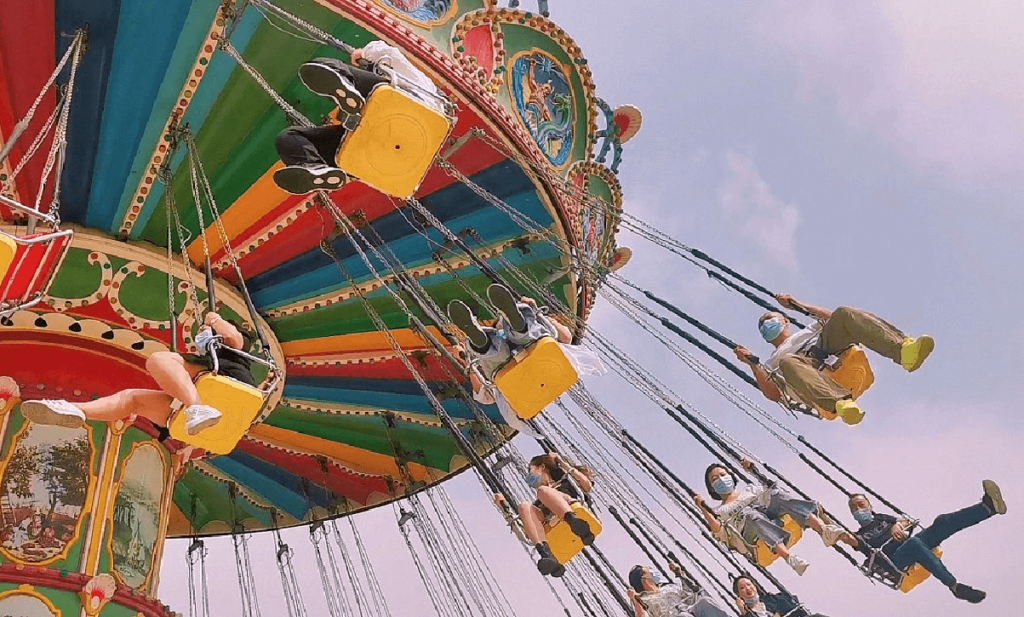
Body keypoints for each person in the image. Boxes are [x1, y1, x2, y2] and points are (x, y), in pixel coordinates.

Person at [20, 312, 254, 436]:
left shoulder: (237, 346)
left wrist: (213, 319)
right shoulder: (205, 362)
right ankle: (74, 408)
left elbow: (234, 337)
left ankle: (197, 407)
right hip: (206, 415)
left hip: (230, 384)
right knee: (133, 399)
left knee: (159, 359)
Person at [273, 40, 446, 195]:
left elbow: (389, 52)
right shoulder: (430, 98)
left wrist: (362, 53)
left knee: (323, 65)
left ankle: (350, 92)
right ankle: (318, 168)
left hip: (399, 108)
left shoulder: (425, 87)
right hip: (387, 144)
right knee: (287, 138)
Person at [733, 293, 934, 425]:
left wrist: (798, 305)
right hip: (809, 375)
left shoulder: (811, 329)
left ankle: (904, 351)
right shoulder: (772, 363)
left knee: (844, 312)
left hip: (831, 351)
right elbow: (774, 394)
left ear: (785, 320)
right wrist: (752, 364)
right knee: (788, 361)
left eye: (771, 319)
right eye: (763, 326)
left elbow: (838, 319)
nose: (767, 324)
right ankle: (841, 404)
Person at [449, 284, 604, 433]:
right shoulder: (519, 398)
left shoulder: (543, 383)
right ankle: (500, 333)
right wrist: (538, 314)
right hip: (520, 357)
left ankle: (486, 338)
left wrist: (467, 362)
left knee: (500, 350)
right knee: (509, 346)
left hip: (513, 362)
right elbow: (565, 337)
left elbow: (485, 396)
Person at [844, 481, 1006, 604]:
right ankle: (955, 586)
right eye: (854, 508)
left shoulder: (881, 518)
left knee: (942, 522)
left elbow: (904, 520)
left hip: (911, 545)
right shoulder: (859, 536)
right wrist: (820, 516)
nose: (859, 509)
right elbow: (841, 536)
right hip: (896, 562)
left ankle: (987, 508)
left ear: (870, 505)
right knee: (913, 543)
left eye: (861, 504)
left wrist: (897, 525)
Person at [695, 459, 853, 575]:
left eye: (723, 474)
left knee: (777, 494)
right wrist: (704, 510)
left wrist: (753, 471)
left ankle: (824, 530)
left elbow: (772, 491)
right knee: (751, 515)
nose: (721, 479)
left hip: (773, 520)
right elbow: (719, 532)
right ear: (711, 487)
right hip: (753, 539)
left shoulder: (750, 490)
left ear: (731, 475)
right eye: (715, 479)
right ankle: (789, 557)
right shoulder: (719, 510)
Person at [496, 453, 595, 577]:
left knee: (543, 491)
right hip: (550, 524)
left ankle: (573, 520)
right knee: (524, 506)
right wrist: (505, 510)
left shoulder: (564, 482)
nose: (529, 476)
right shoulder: (539, 502)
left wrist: (561, 461)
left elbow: (587, 485)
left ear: (542, 467)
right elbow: (526, 532)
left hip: (570, 506)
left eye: (531, 471)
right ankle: (544, 552)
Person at [627, 562, 731, 617]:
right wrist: (635, 600)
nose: (653, 571)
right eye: (649, 570)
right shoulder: (643, 601)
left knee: (704, 602)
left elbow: (690, 598)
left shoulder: (669, 587)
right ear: (644, 578)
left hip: (689, 610)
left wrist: (680, 574)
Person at [732, 575, 829, 617]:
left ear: (754, 586)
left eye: (749, 584)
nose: (748, 589)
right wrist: (743, 612)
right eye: (742, 588)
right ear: (739, 595)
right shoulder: (749, 614)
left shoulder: (772, 599)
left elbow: (793, 606)